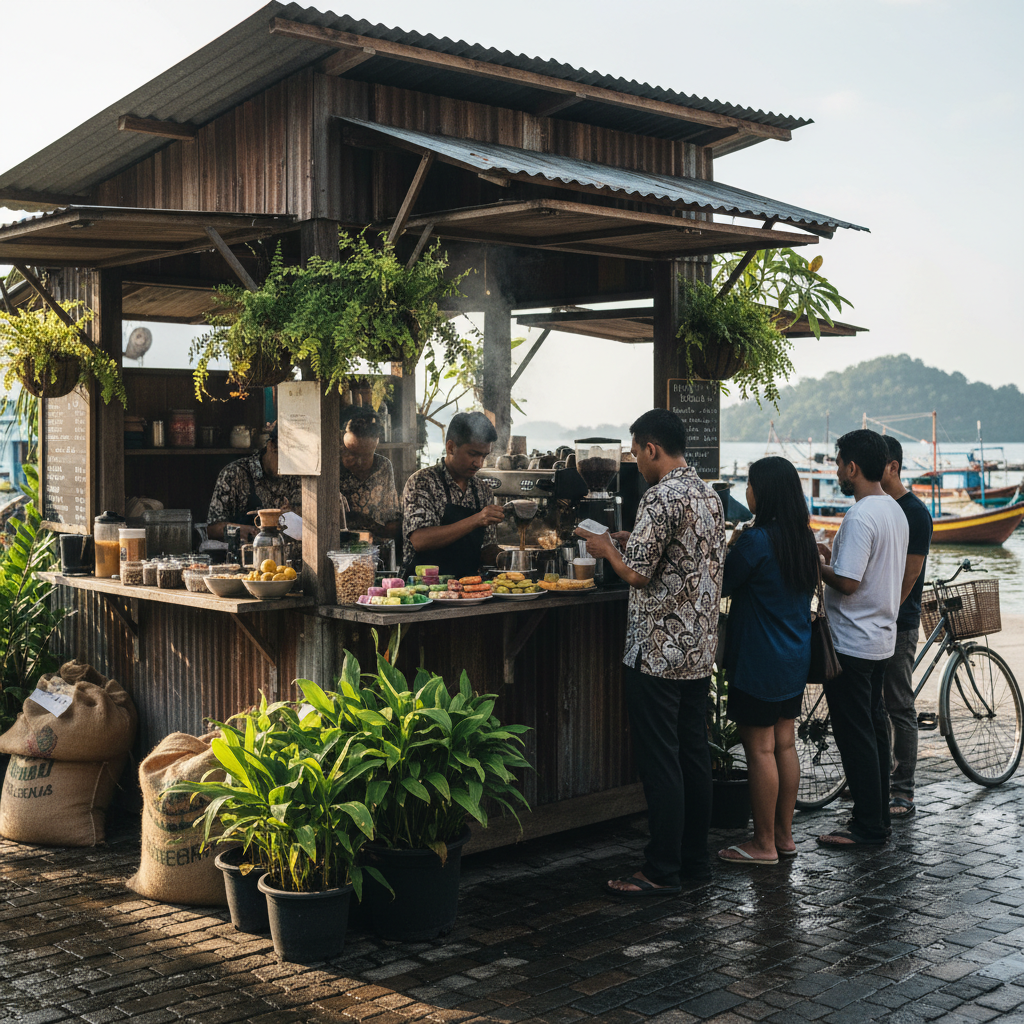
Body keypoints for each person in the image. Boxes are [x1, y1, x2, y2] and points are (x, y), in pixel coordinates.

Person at [578, 409, 725, 896]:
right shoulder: (708, 493)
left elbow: (637, 575)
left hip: (658, 651)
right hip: (698, 649)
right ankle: (695, 863)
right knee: (694, 758)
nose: (634, 462)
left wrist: (605, 548)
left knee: (661, 762)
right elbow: (678, 556)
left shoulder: (659, 497)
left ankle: (661, 869)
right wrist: (628, 541)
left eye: (636, 452)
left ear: (652, 448)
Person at [716, 457, 818, 866]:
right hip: (795, 655)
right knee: (784, 743)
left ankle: (762, 845)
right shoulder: (803, 538)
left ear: (764, 492)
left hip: (759, 659)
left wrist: (731, 544)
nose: (746, 492)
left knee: (758, 751)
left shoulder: (756, 541)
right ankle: (784, 836)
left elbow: (722, 582)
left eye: (750, 485)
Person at [818, 429, 908, 848]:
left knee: (855, 736)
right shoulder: (894, 510)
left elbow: (850, 583)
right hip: (881, 640)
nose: (837, 471)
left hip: (852, 642)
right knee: (872, 732)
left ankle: (867, 826)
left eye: (838, 464)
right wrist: (830, 559)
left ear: (852, 467)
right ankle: (876, 819)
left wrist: (814, 565)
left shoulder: (859, 516)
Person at [880, 435, 933, 819]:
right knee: (876, 706)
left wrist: (883, 615)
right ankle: (876, 781)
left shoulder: (914, 511)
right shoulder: (878, 507)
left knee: (899, 705)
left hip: (898, 623)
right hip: (879, 621)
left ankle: (903, 791)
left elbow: (910, 576)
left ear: (893, 467)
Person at [401, 411, 505, 577]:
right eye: (472, 454)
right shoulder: (423, 482)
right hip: (423, 591)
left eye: (484, 456)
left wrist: (509, 559)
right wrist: (476, 519)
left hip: (468, 589)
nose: (479, 463)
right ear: (450, 447)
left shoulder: (482, 490)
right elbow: (419, 540)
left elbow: (486, 548)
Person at [206, 430, 301, 543]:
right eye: (285, 460)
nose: (287, 468)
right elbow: (212, 530)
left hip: (291, 557)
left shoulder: (297, 477)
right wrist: (240, 530)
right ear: (271, 446)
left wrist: (293, 515)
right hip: (248, 556)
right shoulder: (235, 474)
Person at [339, 409, 400, 543]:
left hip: (374, 548)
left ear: (375, 445)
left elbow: (391, 520)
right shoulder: (334, 468)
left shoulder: (383, 466)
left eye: (365, 455)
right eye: (351, 453)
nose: (358, 462)